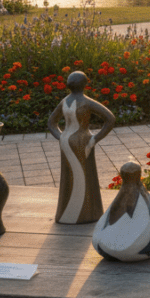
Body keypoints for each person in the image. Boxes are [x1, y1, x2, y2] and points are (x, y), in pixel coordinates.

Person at [47, 70, 116, 224]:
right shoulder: (87, 102)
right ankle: (89, 213)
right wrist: (94, 139)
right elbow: (110, 118)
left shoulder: (64, 101)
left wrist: (61, 137)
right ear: (84, 84)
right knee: (84, 175)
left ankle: (68, 215)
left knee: (71, 176)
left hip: (67, 142)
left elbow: (51, 123)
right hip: (83, 141)